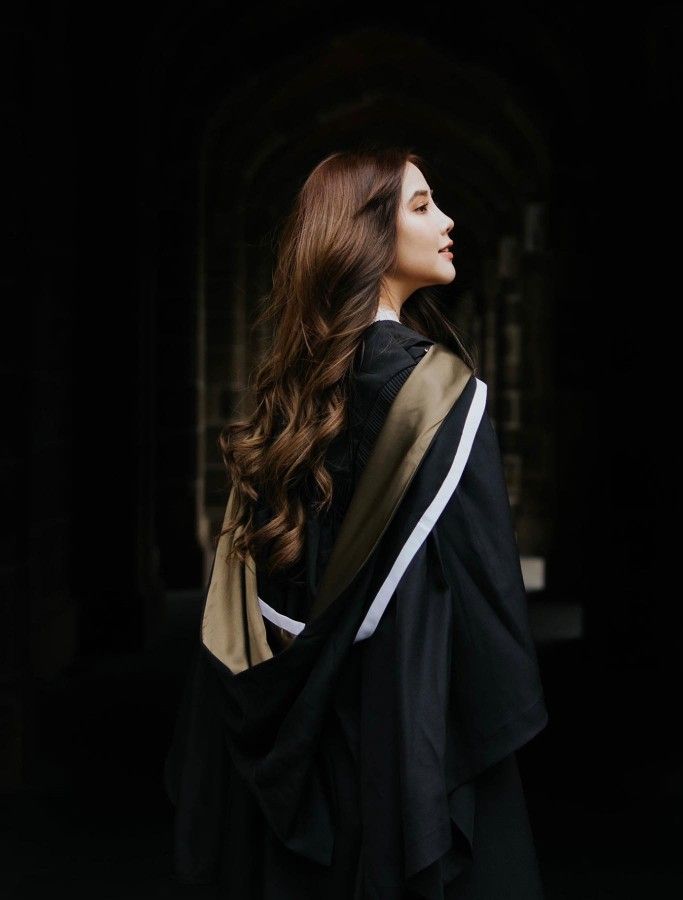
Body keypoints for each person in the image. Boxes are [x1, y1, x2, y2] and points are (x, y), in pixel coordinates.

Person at [163, 146, 549, 899]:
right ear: (367, 237)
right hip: (403, 740)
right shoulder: (442, 396)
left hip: (290, 748)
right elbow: (485, 606)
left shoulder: (288, 399)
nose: (446, 220)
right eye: (421, 205)